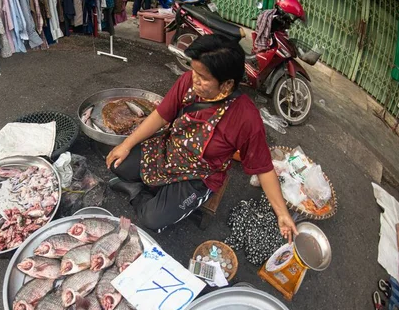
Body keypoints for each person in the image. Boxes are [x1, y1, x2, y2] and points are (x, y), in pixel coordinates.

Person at [106, 34, 298, 242]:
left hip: (199, 176)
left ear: (226, 84)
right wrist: (126, 144)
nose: (194, 80)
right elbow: (162, 115)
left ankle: (137, 193)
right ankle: (157, 188)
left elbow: (263, 168)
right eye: (193, 71)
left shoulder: (246, 118)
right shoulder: (188, 81)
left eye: (203, 77)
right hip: (170, 151)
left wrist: (282, 214)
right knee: (117, 164)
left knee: (151, 219)